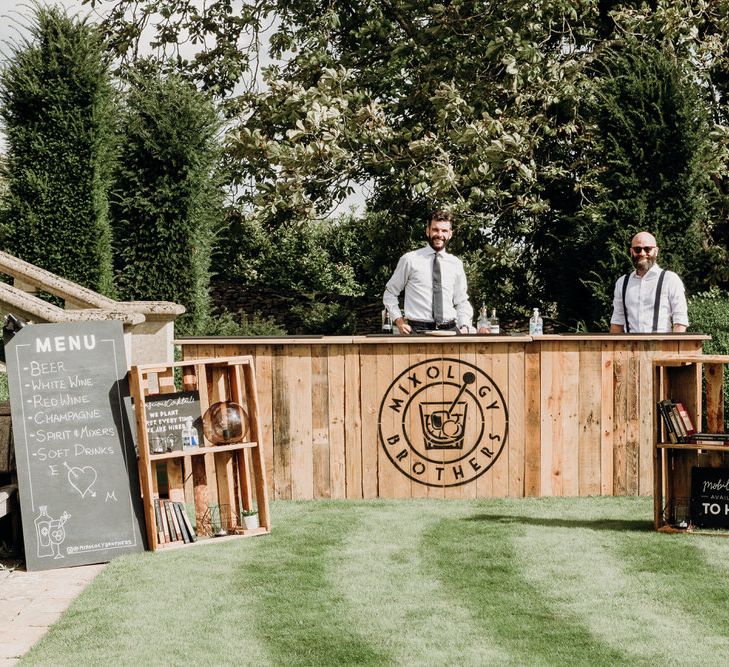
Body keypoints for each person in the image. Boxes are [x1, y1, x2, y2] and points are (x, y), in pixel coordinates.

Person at [383, 210, 473, 334]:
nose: (439, 234)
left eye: (444, 231)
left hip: (451, 332)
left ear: (450, 234)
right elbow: (390, 293)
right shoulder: (410, 260)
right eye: (435, 230)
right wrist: (399, 321)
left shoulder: (456, 264)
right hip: (418, 331)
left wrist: (465, 326)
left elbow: (462, 300)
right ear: (427, 231)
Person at [609, 231, 688, 333]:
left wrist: (675, 347)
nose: (642, 253)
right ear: (631, 251)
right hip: (630, 347)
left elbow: (680, 320)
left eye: (647, 249)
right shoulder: (622, 282)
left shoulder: (670, 279)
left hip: (662, 347)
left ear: (656, 251)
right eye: (637, 249)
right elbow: (617, 322)